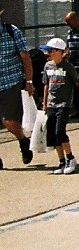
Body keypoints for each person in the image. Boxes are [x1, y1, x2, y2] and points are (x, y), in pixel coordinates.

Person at [41, 39, 79, 174]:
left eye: (51, 50)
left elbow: (78, 83)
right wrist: (45, 103)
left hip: (64, 104)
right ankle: (61, 161)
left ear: (60, 52)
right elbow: (46, 85)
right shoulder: (47, 66)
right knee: (52, 134)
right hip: (52, 104)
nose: (48, 53)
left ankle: (70, 158)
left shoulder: (68, 66)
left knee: (60, 131)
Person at [0, 12, 35, 168]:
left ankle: (23, 140)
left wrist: (28, 80)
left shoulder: (11, 31)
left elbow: (25, 56)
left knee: (9, 121)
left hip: (10, 82)